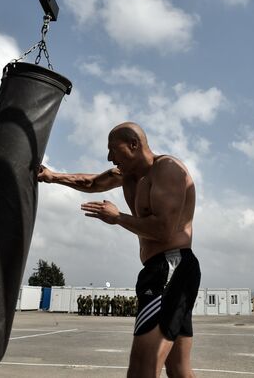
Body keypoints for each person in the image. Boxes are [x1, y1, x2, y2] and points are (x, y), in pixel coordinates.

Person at [38, 122, 200, 378]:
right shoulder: (127, 175)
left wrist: (118, 217)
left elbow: (163, 230)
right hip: (163, 270)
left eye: (113, 149)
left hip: (172, 268)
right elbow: (91, 182)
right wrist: (52, 177)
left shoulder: (167, 170)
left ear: (134, 145)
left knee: (141, 370)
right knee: (179, 369)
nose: (109, 157)